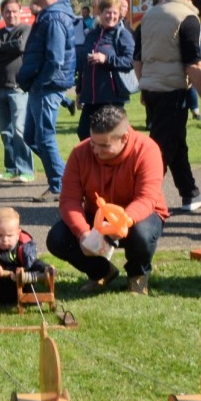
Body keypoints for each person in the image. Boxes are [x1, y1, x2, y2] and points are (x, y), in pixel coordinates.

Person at [45, 105, 168, 296]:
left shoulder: (147, 150)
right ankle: (102, 272)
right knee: (57, 238)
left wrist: (122, 222)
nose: (95, 150)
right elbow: (69, 200)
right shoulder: (80, 153)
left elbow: (146, 198)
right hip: (97, 217)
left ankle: (137, 275)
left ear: (124, 138)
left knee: (141, 235)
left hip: (138, 216)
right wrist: (83, 233)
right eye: (94, 142)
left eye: (104, 146)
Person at [134, 0, 201, 212]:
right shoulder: (186, 17)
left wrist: (145, 86)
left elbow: (137, 59)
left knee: (175, 144)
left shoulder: (149, 16)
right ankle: (141, 202)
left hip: (151, 88)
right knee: (159, 152)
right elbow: (193, 64)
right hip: (173, 90)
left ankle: (190, 193)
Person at [17, 0, 76, 202]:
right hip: (41, 86)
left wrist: (40, 82)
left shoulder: (54, 18)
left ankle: (60, 185)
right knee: (32, 137)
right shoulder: (49, 15)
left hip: (46, 86)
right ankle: (65, 178)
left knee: (44, 137)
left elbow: (55, 59)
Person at [0, 0, 34, 182]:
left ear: (20, 11)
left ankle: (26, 170)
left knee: (20, 130)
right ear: (2, 13)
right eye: (7, 11)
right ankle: (11, 168)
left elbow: (21, 46)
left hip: (18, 88)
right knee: (6, 132)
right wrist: (6, 48)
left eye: (14, 11)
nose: (11, 14)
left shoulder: (27, 30)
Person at [74, 0, 135, 141]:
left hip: (111, 97)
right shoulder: (91, 35)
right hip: (91, 97)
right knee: (84, 132)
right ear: (100, 13)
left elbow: (130, 61)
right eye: (108, 12)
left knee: (109, 136)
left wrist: (106, 59)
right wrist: (79, 91)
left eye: (115, 13)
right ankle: (94, 163)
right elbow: (83, 64)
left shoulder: (122, 35)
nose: (111, 16)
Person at [0, 207, 51, 305]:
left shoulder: (23, 248)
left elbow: (34, 262)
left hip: (17, 287)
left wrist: (45, 268)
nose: (5, 240)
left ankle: (30, 298)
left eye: (9, 236)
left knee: (30, 271)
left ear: (18, 234)